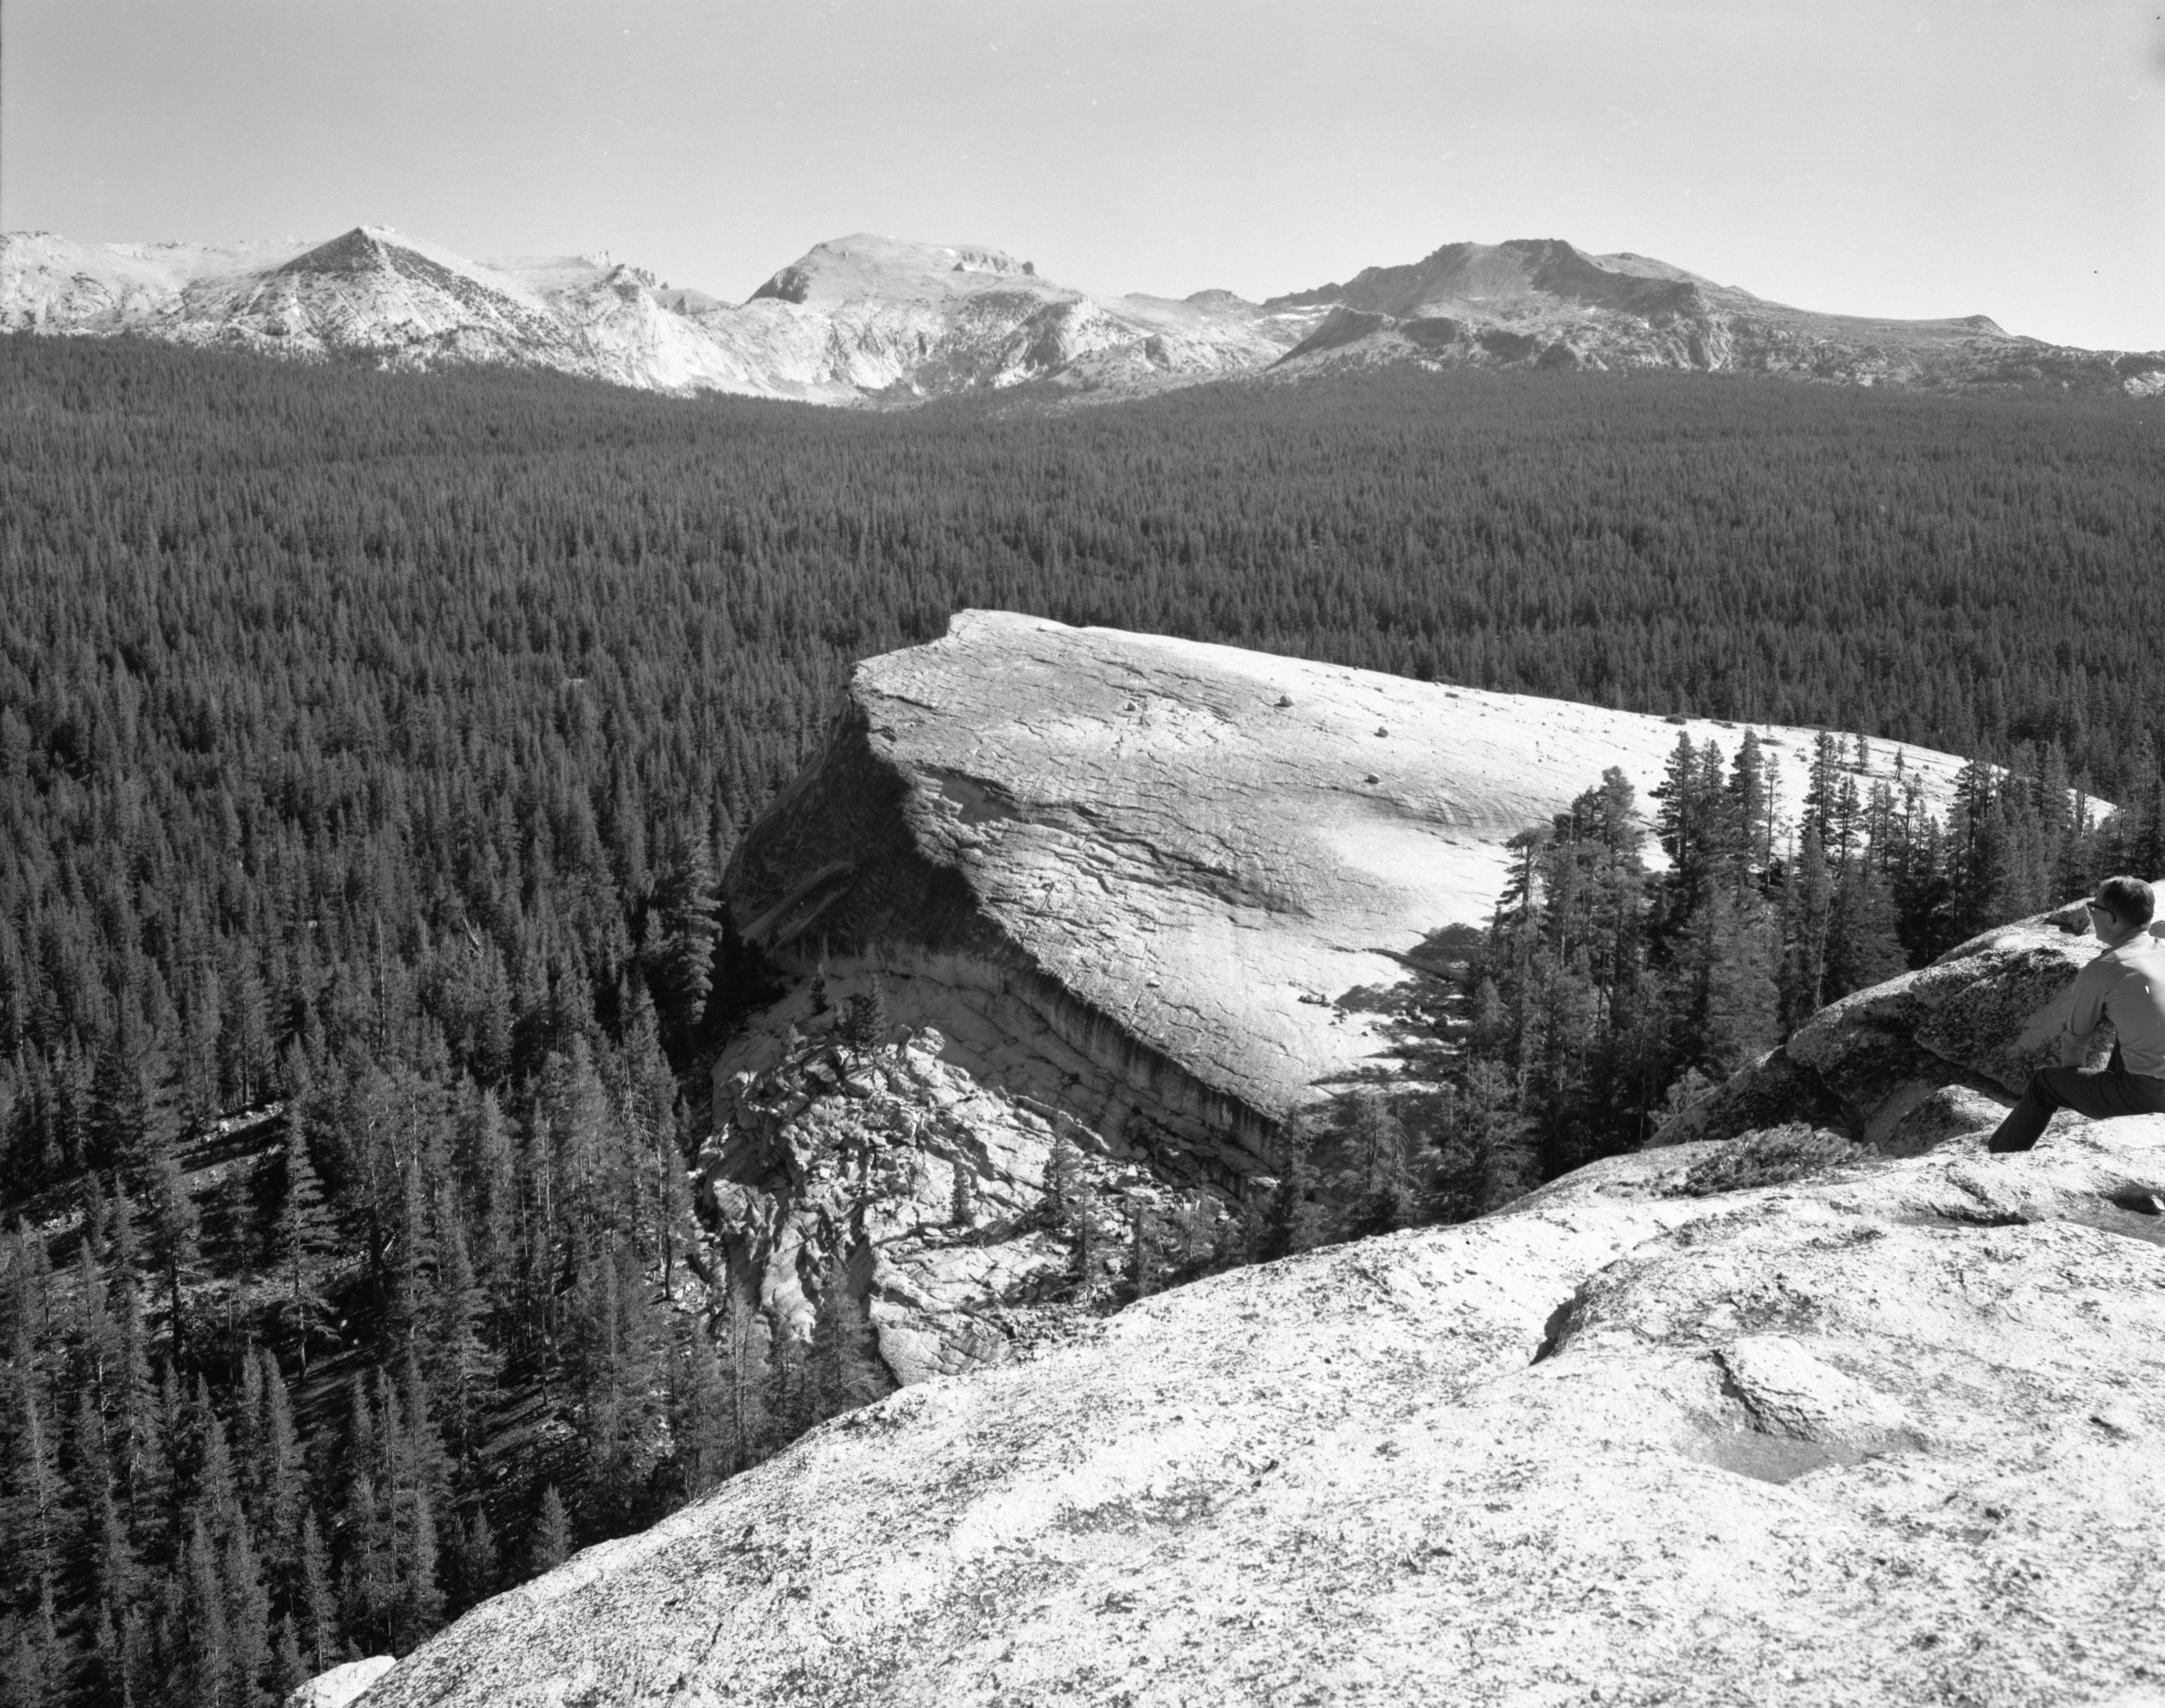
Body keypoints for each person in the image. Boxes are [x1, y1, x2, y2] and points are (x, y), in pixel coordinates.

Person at [1988, 876, 2165, 1153]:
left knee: (2044, 1083)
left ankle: (1998, 1157)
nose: (2091, 915)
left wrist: (2076, 1088)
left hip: (2150, 1095)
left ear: (2112, 918)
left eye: (2094, 908)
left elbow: (2075, 1045)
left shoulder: (2105, 968)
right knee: (2128, 1029)